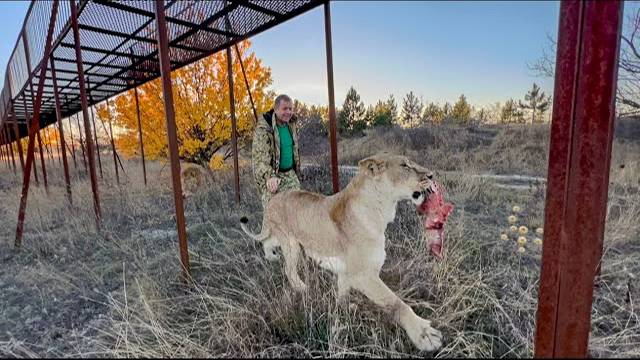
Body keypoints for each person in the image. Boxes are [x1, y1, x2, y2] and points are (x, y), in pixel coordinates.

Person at [252, 94, 302, 210]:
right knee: (274, 214)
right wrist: (270, 177)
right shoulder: (264, 129)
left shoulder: (292, 124)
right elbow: (260, 158)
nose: (288, 112)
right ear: (275, 109)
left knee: (296, 211)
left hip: (290, 176)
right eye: (285, 109)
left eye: (290, 109)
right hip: (274, 177)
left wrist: (296, 173)